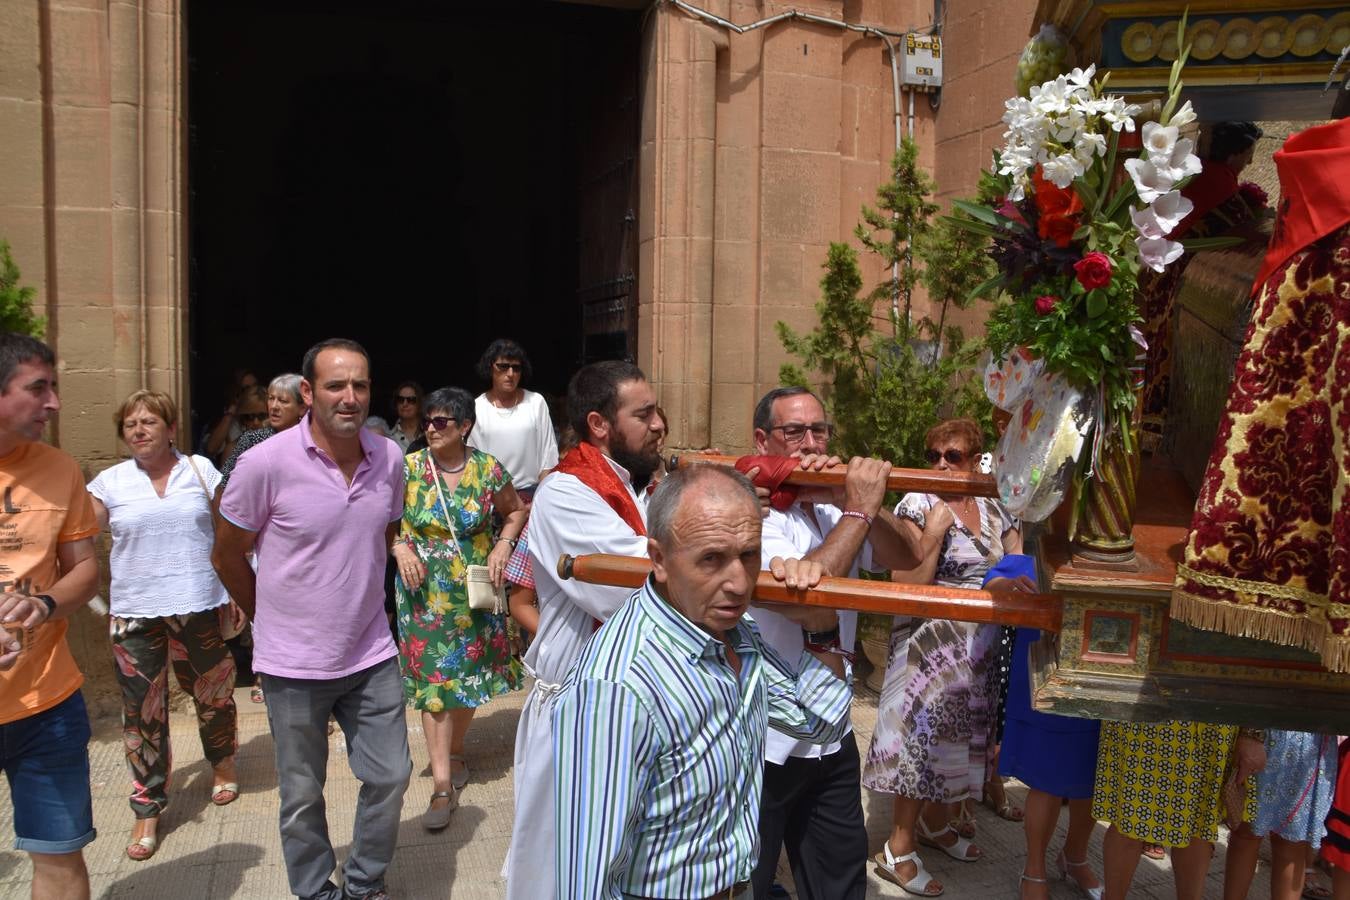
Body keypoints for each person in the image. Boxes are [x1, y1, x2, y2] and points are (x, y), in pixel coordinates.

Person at [552, 464, 853, 898]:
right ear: (658, 559)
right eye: (711, 559)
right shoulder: (617, 686)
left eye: (749, 555)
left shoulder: (731, 631)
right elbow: (585, 880)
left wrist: (819, 623)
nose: (737, 583)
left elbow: (819, 723)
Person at [213, 338, 411, 900]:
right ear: (308, 392)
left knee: (392, 775)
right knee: (301, 792)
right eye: (335, 385)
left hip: (371, 654)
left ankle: (364, 880)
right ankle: (314, 889)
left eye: (360, 386)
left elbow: (383, 533)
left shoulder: (390, 459)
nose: (349, 398)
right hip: (293, 664)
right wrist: (266, 618)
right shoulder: (264, 463)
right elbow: (226, 554)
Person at [748, 386, 930, 900]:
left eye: (819, 430)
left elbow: (908, 558)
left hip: (830, 730)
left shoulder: (831, 506)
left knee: (840, 882)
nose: (811, 443)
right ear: (763, 441)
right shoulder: (751, 510)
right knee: (748, 882)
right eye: (794, 432)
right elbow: (807, 596)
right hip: (762, 739)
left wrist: (859, 507)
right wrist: (857, 514)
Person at [504, 360, 665, 900]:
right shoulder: (566, 493)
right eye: (643, 414)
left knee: (625, 850)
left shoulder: (638, 486)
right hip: (580, 702)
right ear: (599, 425)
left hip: (633, 695)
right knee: (566, 861)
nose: (659, 423)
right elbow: (629, 584)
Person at [864, 417, 1022, 897]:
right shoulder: (919, 501)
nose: (939, 465)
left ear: (976, 461)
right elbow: (907, 583)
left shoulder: (996, 506)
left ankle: (934, 826)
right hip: (929, 644)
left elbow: (1016, 562)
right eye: (933, 455)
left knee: (958, 743)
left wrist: (1011, 577)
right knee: (918, 744)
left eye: (952, 457)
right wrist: (932, 533)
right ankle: (898, 847)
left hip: (979, 646)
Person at [87, 390, 241, 862]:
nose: (139, 429)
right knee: (141, 710)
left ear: (170, 429)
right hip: (135, 611)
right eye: (131, 423)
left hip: (199, 601)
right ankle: (147, 805)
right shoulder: (108, 483)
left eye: (149, 421)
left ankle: (222, 764)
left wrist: (238, 590)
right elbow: (78, 540)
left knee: (213, 690)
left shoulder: (200, 470)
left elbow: (228, 531)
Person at [390, 386, 526, 830]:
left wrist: (504, 545)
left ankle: (454, 750)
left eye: (440, 421)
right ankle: (443, 785)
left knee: (466, 678)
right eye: (427, 420)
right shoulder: (408, 468)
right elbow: (381, 520)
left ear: (464, 427)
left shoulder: (487, 470)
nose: (429, 427)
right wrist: (399, 548)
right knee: (436, 685)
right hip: (424, 591)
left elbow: (515, 511)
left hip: (473, 590)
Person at [0, 333, 101, 900]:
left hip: (48, 704)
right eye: (38, 388)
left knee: (60, 857)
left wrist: (41, 605)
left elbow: (83, 571)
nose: (55, 402)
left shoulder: (62, 470)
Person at [991, 555, 1102, 900]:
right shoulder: (1032, 559)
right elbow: (992, 584)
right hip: (1046, 679)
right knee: (1046, 780)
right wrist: (1011, 587)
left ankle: (1075, 856)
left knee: (1093, 779)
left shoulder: (1111, 561)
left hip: (1101, 677)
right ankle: (1034, 868)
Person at [215, 372, 306, 704]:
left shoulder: (319, 442)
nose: (273, 406)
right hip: (261, 544)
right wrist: (229, 537)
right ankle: (266, 676)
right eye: (270, 398)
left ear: (303, 405)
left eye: (283, 400)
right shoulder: (252, 441)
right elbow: (222, 490)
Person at [1223, 730, 1337, 900]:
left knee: (1292, 842)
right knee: (1246, 834)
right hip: (1266, 732)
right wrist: (1250, 733)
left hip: (1313, 739)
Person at [467, 339, 558, 502]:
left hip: (533, 493)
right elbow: (474, 462)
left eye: (516, 368)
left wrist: (541, 500)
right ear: (490, 367)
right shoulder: (476, 407)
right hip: (492, 496)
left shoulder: (536, 402)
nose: (510, 374)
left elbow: (548, 457)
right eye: (503, 366)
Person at [202, 368, 259, 462]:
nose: (253, 391)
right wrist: (232, 410)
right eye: (247, 388)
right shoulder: (230, 421)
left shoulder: (268, 414)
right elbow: (211, 449)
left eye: (255, 386)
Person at [218, 384, 269, 468]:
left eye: (262, 416)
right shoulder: (232, 450)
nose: (255, 422)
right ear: (242, 419)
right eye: (249, 417)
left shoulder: (280, 445)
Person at [387, 381, 423, 453]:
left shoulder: (429, 433)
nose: (405, 404)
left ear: (419, 403)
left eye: (411, 400)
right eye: (400, 399)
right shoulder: (388, 438)